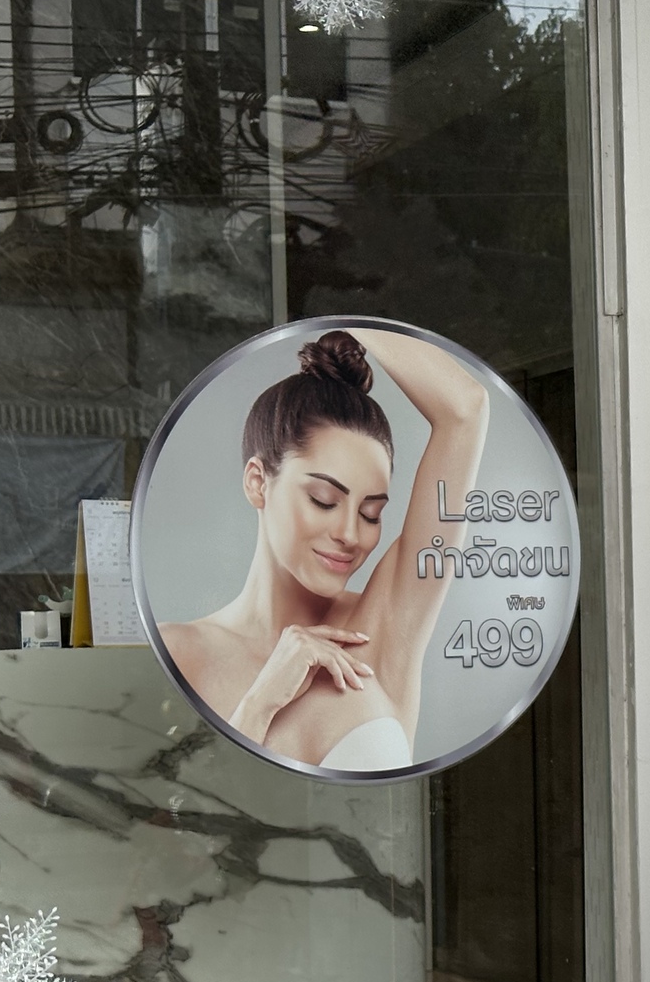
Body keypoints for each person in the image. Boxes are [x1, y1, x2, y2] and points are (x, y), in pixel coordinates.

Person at [160, 328, 488, 771]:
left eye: (371, 513)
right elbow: (170, 804)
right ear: (258, 483)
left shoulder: (384, 623)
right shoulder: (178, 651)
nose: (351, 534)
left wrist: (347, 315)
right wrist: (260, 702)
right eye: (324, 500)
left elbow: (465, 409)